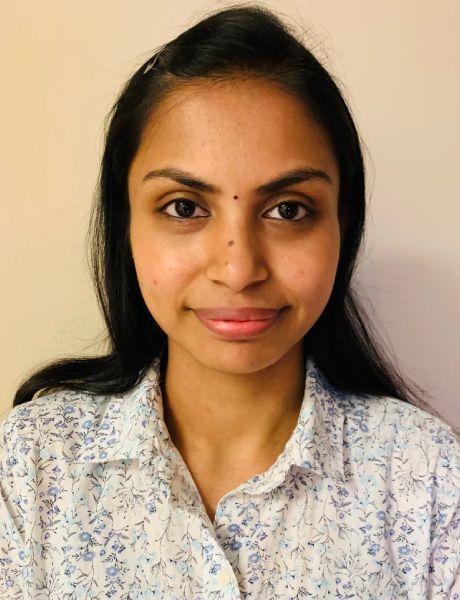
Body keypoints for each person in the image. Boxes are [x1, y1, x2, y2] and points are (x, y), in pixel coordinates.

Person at [1, 4, 459, 598]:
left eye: (288, 209)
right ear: (127, 228)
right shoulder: (35, 464)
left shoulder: (428, 480)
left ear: (342, 227)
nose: (239, 269)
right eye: (185, 208)